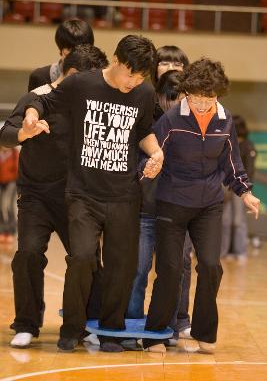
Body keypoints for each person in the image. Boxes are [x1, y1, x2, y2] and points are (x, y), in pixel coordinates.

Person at [23, 34, 163, 353]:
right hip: (83, 193)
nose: (134, 81)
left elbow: (143, 131)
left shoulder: (143, 92)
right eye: (131, 73)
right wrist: (32, 116)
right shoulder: (81, 85)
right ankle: (73, 327)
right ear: (116, 61)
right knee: (82, 258)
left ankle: (111, 331)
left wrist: (157, 154)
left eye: (141, 77)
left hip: (125, 195)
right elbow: (43, 99)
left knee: (120, 265)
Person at [142, 58, 260, 354]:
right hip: (172, 201)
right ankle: (156, 332)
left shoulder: (225, 119)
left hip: (208, 204)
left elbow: (231, 161)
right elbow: (152, 151)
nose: (203, 106)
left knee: (210, 266)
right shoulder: (172, 120)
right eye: (196, 99)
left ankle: (204, 331)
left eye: (209, 99)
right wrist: (149, 166)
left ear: (217, 96)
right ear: (187, 93)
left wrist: (245, 192)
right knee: (169, 268)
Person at [0, 44, 109, 349]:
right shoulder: (36, 97)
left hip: (79, 196)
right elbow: (6, 134)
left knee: (87, 259)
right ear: (71, 73)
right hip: (36, 196)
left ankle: (84, 324)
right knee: (28, 254)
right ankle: (26, 323)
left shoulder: (93, 103)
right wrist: (25, 132)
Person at [127, 45, 192, 342]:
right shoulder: (144, 105)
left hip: (180, 211)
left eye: (177, 62)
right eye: (165, 61)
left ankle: (177, 322)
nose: (170, 66)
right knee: (137, 270)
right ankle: (129, 323)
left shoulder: (195, 117)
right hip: (144, 207)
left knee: (178, 268)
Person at [221, 115, 257, 263]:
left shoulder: (248, 146)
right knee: (225, 220)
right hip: (227, 186)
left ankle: (240, 250)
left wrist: (245, 189)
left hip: (240, 188)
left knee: (238, 221)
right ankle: (224, 251)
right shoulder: (228, 144)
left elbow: (249, 169)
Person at [28, 18, 94, 91]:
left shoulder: (100, 79)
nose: (78, 55)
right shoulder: (40, 76)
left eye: (84, 49)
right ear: (63, 51)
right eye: (71, 50)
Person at [0, 146, 19, 244]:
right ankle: (2, 231)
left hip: (11, 182)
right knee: (0, 207)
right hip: (0, 182)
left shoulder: (14, 152)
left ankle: (11, 232)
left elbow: (17, 168)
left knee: (8, 206)